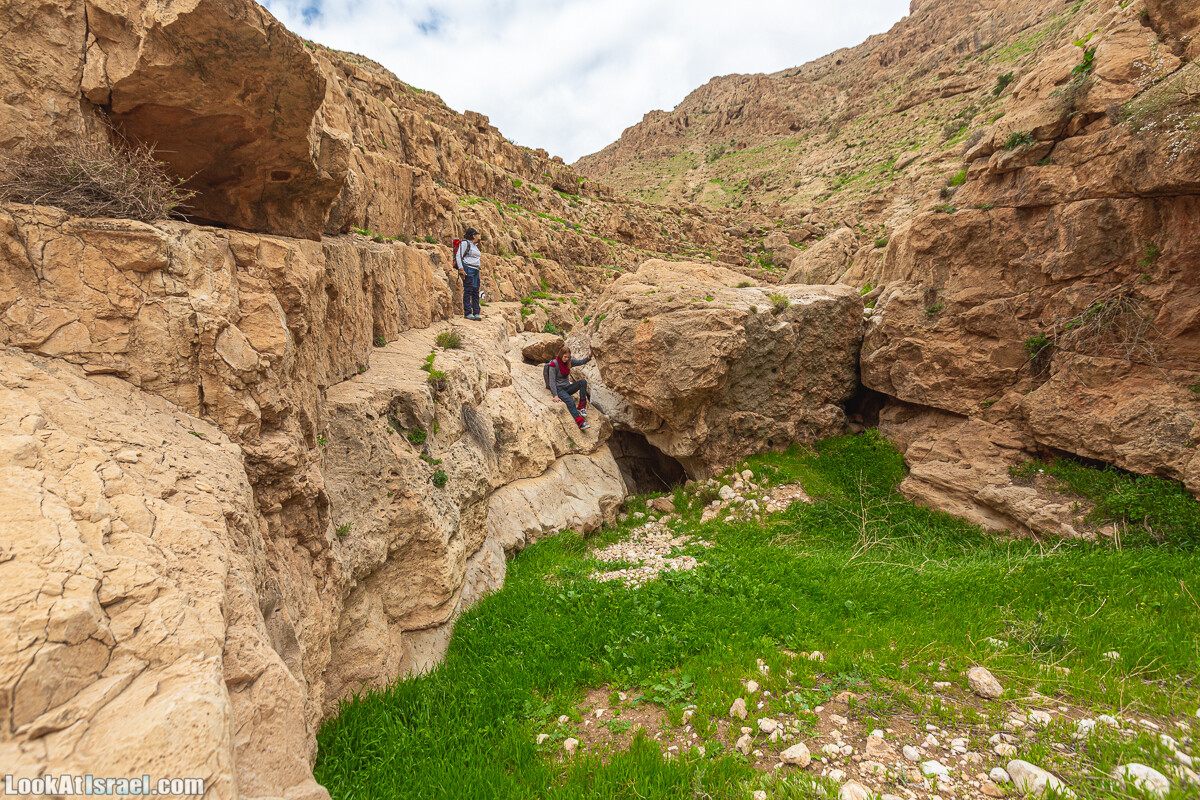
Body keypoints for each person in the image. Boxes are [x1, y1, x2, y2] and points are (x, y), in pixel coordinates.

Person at [544, 346, 592, 430]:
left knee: (583, 382)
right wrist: (555, 395)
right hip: (559, 390)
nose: (566, 359)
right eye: (565, 357)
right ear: (561, 355)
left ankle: (581, 407)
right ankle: (580, 422)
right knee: (570, 401)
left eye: (568, 357)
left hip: (567, 387)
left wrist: (589, 356)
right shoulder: (554, 364)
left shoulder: (569, 362)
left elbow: (581, 362)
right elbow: (552, 381)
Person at [455, 228, 483, 321]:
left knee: (475, 291)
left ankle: (476, 312)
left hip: (475, 270)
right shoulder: (464, 243)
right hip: (468, 269)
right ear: (472, 235)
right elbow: (458, 256)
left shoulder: (475, 245)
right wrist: (461, 269)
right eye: (476, 235)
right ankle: (467, 312)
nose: (477, 236)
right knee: (468, 290)